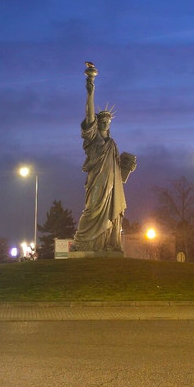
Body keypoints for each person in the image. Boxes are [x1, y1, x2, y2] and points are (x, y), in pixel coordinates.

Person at [72, 63, 136, 251]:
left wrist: (128, 169)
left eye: (108, 120)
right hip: (97, 181)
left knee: (111, 214)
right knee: (92, 211)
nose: (105, 122)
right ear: (97, 122)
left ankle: (108, 244)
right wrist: (90, 88)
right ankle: (83, 243)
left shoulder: (113, 145)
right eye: (102, 120)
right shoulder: (92, 138)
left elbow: (118, 173)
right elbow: (89, 114)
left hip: (112, 185)